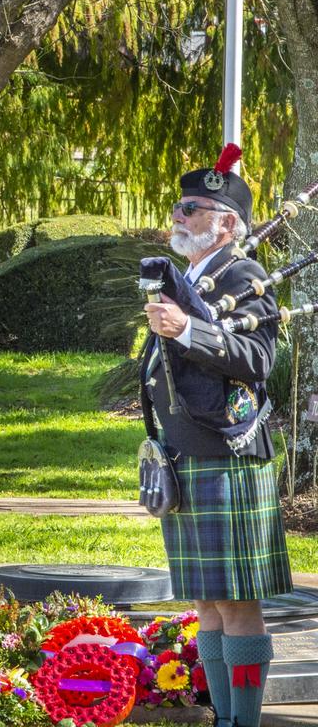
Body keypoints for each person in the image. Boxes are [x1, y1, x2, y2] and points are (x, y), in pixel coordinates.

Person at [141, 148, 291, 727]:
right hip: (186, 451)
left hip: (228, 457)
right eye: (179, 206)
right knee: (205, 602)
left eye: (193, 208)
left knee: (235, 602)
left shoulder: (244, 276)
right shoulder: (185, 278)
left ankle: (245, 721)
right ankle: (226, 718)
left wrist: (189, 330)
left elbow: (258, 359)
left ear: (227, 222)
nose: (179, 215)